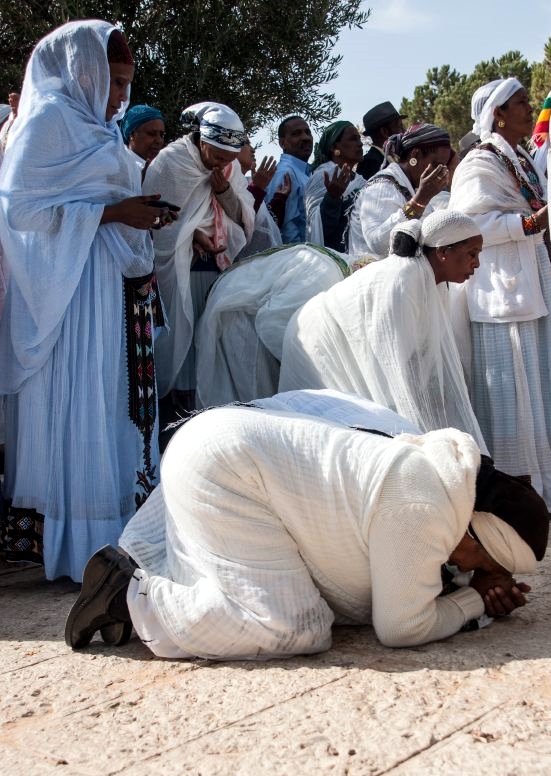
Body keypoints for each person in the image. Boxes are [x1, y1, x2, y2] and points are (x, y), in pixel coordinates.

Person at [65, 389, 549, 658]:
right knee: (293, 628)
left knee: (273, 600)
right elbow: (402, 626)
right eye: (483, 558)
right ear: (470, 528)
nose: (476, 568)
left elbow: (405, 565)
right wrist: (471, 599)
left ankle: (131, 590)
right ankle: (129, 596)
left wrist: (475, 582)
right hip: (226, 469)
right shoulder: (425, 505)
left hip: (226, 452)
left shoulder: (444, 477)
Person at [0, 21, 171, 581]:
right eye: (114, 82)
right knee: (67, 403)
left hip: (100, 288)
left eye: (125, 84)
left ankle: (100, 544)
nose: (120, 96)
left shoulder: (100, 132)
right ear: (83, 72)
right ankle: (62, 545)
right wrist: (115, 213)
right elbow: (18, 213)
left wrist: (137, 211)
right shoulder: (46, 121)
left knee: (98, 401)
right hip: (60, 295)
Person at [449, 78, 551, 515]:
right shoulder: (478, 164)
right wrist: (530, 225)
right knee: (509, 397)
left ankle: (547, 492)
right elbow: (468, 224)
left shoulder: (519, 159)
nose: (527, 108)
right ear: (497, 114)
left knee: (539, 389)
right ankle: (517, 499)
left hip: (529, 284)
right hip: (500, 294)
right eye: (519, 104)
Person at [279, 210, 487, 451]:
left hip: (338, 342)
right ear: (442, 252)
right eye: (472, 254)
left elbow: (424, 364)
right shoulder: (403, 281)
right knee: (340, 435)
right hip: (314, 341)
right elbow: (390, 372)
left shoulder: (434, 285)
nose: (477, 264)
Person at [142, 101, 255, 424]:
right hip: (178, 270)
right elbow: (155, 222)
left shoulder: (228, 170)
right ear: (202, 142)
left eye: (229, 159)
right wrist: (189, 236)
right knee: (181, 340)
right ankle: (175, 417)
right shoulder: (171, 162)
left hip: (217, 268)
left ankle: (206, 414)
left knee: (209, 341)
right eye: (217, 157)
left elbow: (242, 219)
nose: (222, 164)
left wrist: (224, 192)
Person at [195, 243, 351, 407]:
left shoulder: (336, 266)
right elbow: (271, 324)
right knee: (254, 407)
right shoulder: (326, 276)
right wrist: (313, 369)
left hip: (244, 310)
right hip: (239, 317)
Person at [349, 123, 451, 260]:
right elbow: (377, 243)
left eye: (444, 166)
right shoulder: (382, 186)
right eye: (436, 164)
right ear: (415, 154)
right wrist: (419, 202)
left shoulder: (411, 186)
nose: (440, 172)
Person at [305, 120, 365, 253]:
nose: (360, 144)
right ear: (334, 147)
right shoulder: (323, 176)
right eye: (353, 139)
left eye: (359, 139)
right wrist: (332, 197)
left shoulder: (360, 180)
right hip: (335, 261)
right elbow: (318, 229)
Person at [264, 115, 313, 243]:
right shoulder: (284, 173)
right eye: (296, 134)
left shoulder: (306, 173)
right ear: (283, 143)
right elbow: (286, 230)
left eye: (308, 132)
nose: (305, 137)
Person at [357, 101, 406, 180]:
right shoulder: (371, 162)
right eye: (399, 126)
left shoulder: (394, 158)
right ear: (384, 132)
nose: (404, 131)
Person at [121, 104, 165, 177]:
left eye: (162, 135)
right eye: (151, 133)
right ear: (132, 134)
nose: (159, 140)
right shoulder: (119, 168)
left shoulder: (160, 169)